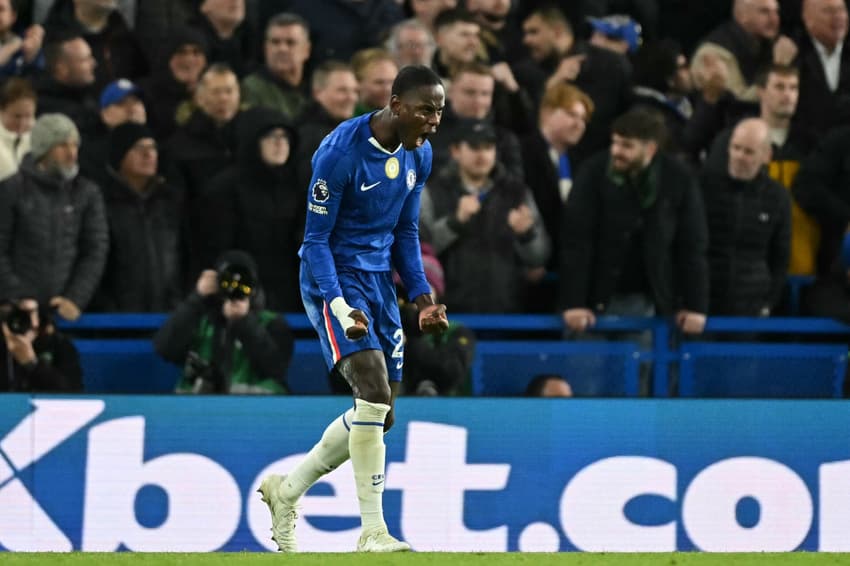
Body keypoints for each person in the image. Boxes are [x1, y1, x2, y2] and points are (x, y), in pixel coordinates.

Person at [257, 65, 449, 553]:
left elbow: (406, 231)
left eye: (440, 112)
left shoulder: (418, 155)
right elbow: (315, 241)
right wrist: (339, 305)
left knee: (380, 414)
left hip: (380, 280)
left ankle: (287, 491)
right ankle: (372, 531)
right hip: (333, 277)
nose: (433, 122)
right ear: (397, 104)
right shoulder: (340, 154)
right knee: (372, 388)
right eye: (426, 110)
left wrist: (423, 297)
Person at [0, 112, 108, 321]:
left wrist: (75, 297)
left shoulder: (86, 193)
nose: (72, 153)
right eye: (63, 146)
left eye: (75, 145)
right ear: (43, 149)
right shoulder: (11, 190)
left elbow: (95, 250)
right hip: (14, 311)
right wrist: (17, 297)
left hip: (64, 312)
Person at [153, 250, 293, 395]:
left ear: (254, 287)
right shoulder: (198, 320)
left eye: (243, 281)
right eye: (226, 280)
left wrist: (245, 322)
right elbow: (165, 349)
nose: (234, 286)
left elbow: (277, 369)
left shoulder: (271, 323)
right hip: (200, 410)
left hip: (251, 412)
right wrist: (197, 298)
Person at [700, 118, 791, 316]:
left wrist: (768, 303)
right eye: (736, 148)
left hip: (751, 305)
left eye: (749, 152)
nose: (740, 156)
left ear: (767, 156)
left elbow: (780, 255)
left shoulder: (777, 197)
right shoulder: (701, 187)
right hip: (702, 301)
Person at [0, 296, 82, 392]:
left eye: (27, 313)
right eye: (12, 314)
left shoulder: (59, 344)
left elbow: (72, 394)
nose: (19, 319)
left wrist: (32, 364)